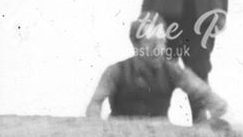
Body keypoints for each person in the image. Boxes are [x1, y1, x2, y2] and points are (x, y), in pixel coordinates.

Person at [86, 15, 228, 121]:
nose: (157, 49)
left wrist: (215, 107)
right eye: (149, 42)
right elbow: (95, 104)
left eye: (161, 41)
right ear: (136, 45)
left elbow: (204, 93)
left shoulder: (172, 70)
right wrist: (97, 128)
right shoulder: (116, 71)